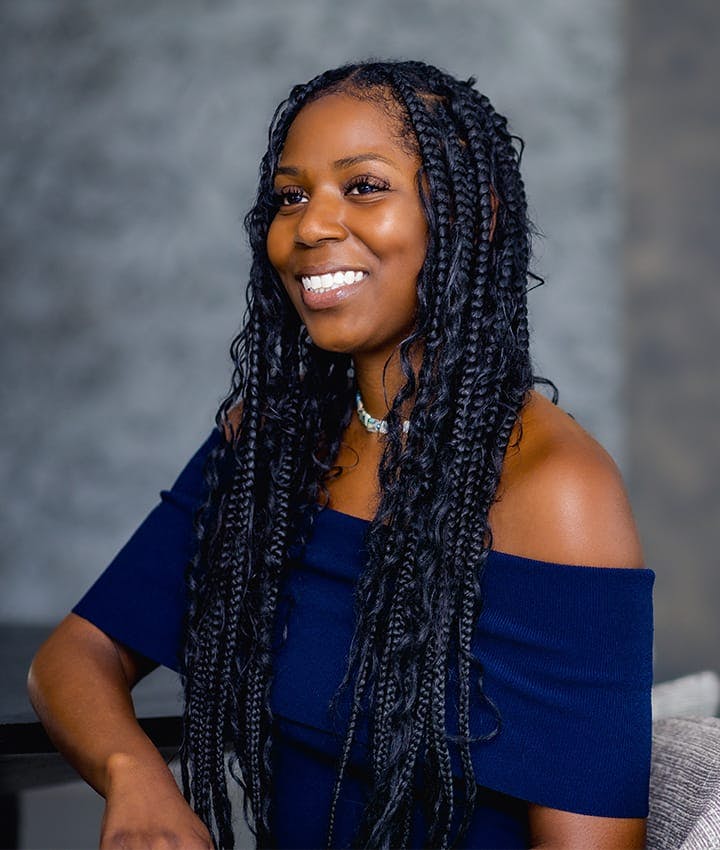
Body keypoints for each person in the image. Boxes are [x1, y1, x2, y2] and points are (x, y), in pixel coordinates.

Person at [27, 60, 654, 850]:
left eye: (363, 187)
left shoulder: (559, 491)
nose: (312, 226)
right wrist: (136, 774)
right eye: (292, 196)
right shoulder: (275, 442)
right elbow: (72, 657)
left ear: (473, 215)